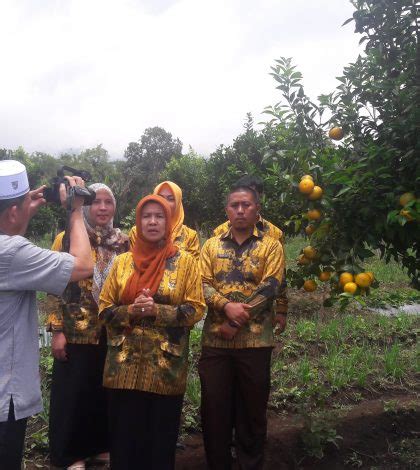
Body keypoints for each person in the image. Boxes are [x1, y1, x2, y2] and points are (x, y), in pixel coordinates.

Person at [99, 194, 205, 470]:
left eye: (159, 216)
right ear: (138, 222)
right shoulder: (122, 262)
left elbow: (196, 309)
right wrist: (131, 311)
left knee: (161, 444)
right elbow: (105, 310)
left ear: (169, 221)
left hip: (165, 368)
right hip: (123, 368)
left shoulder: (185, 263)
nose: (153, 221)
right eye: (147, 216)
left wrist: (157, 311)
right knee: (124, 444)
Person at [0, 160, 93, 470]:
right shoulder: (11, 252)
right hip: (4, 398)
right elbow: (82, 266)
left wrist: (23, 208)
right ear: (13, 212)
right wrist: (76, 210)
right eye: (26, 202)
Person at [199, 185, 285, 470]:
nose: (240, 210)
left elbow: (271, 286)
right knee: (214, 410)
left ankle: (250, 464)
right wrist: (225, 306)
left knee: (252, 411)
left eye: (246, 205)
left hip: (255, 343)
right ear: (226, 211)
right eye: (234, 205)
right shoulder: (211, 245)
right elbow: (202, 283)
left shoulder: (271, 245)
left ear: (257, 209)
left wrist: (235, 320)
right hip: (215, 343)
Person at [46, 183, 129, 469]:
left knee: (103, 393)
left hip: (112, 330)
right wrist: (57, 330)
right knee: (73, 394)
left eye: (109, 202)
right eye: (96, 202)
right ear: (87, 206)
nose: (103, 208)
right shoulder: (67, 238)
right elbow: (53, 288)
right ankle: (72, 455)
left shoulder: (124, 241)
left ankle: (101, 447)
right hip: (75, 330)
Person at [213, 174, 288, 331]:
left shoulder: (274, 233)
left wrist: (281, 310)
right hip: (222, 317)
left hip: (260, 316)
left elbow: (280, 276)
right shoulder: (220, 232)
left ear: (258, 199)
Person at [129, 181, 200, 258]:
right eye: (160, 197)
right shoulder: (137, 232)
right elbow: (132, 263)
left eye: (171, 199)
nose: (164, 202)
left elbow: (193, 267)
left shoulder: (190, 236)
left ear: (178, 203)